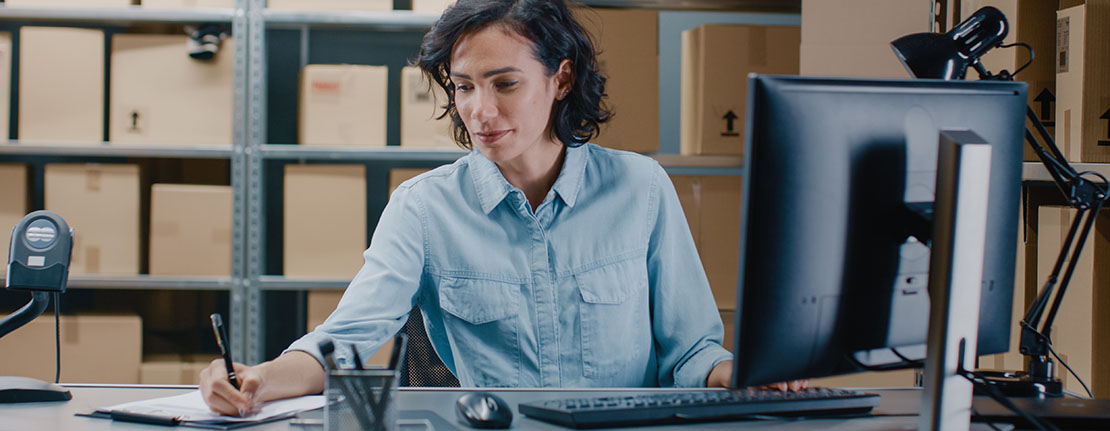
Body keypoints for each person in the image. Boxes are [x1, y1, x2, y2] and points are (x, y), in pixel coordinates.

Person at [201, 0, 795, 416]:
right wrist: (254, 379)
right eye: (463, 86)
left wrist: (740, 374)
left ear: (560, 79)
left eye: (504, 83)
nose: (479, 111)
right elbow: (347, 339)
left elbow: (690, 350)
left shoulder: (641, 188)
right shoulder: (425, 209)